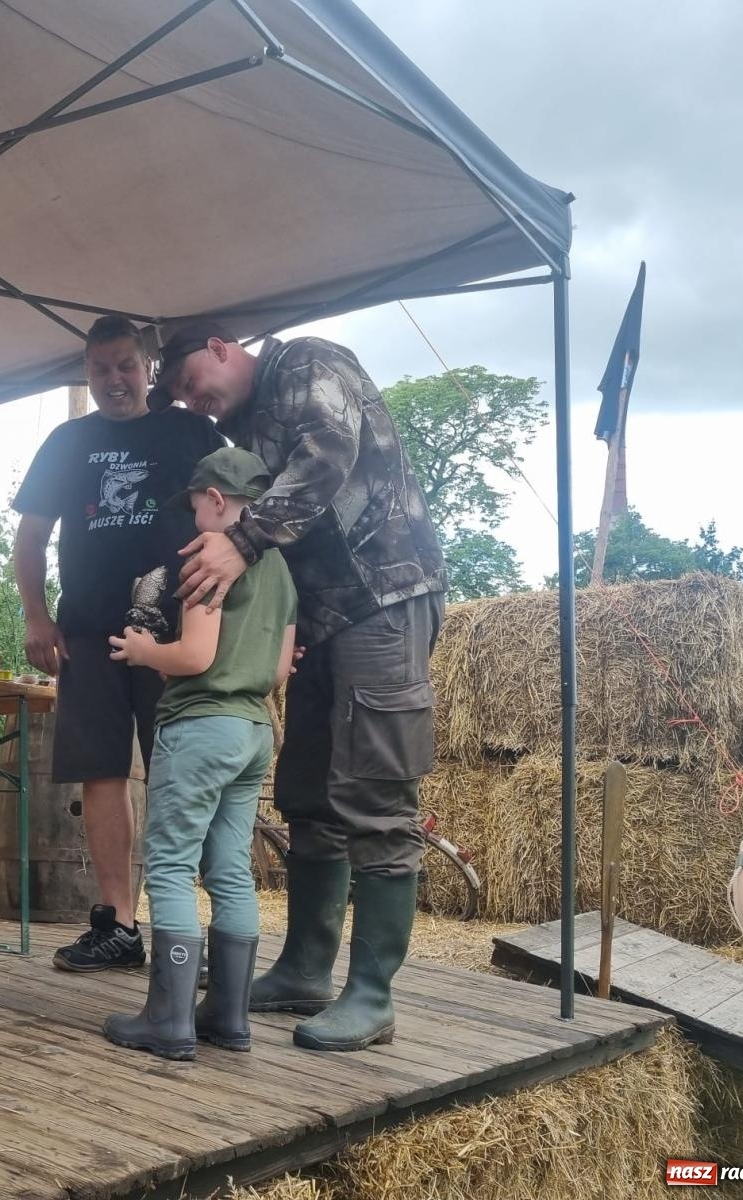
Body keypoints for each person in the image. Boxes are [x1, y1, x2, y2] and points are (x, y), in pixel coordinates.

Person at [153, 322, 445, 1053]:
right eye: (184, 398)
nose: (195, 403)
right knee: (309, 790)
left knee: (377, 793)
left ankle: (373, 994)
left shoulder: (309, 363)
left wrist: (244, 543)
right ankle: (307, 968)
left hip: (384, 596)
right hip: (323, 616)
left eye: (193, 383)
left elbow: (327, 454)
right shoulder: (244, 422)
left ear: (222, 345)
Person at [12, 316, 221, 972]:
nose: (114, 380)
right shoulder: (67, 441)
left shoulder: (190, 431)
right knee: (101, 773)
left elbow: (242, 516)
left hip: (178, 635)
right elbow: (29, 539)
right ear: (87, 372)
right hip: (88, 635)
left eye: (125, 365)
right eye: (100, 369)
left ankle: (202, 926)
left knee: (182, 776)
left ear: (147, 367)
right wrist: (36, 618)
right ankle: (120, 927)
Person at [101, 448, 297, 1060]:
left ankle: (168, 1018)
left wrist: (141, 651)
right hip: (252, 730)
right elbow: (283, 666)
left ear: (215, 499)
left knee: (170, 866)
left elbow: (194, 657)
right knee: (232, 870)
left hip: (200, 723)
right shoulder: (284, 572)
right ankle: (228, 1018)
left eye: (194, 506)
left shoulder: (208, 558)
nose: (193, 522)